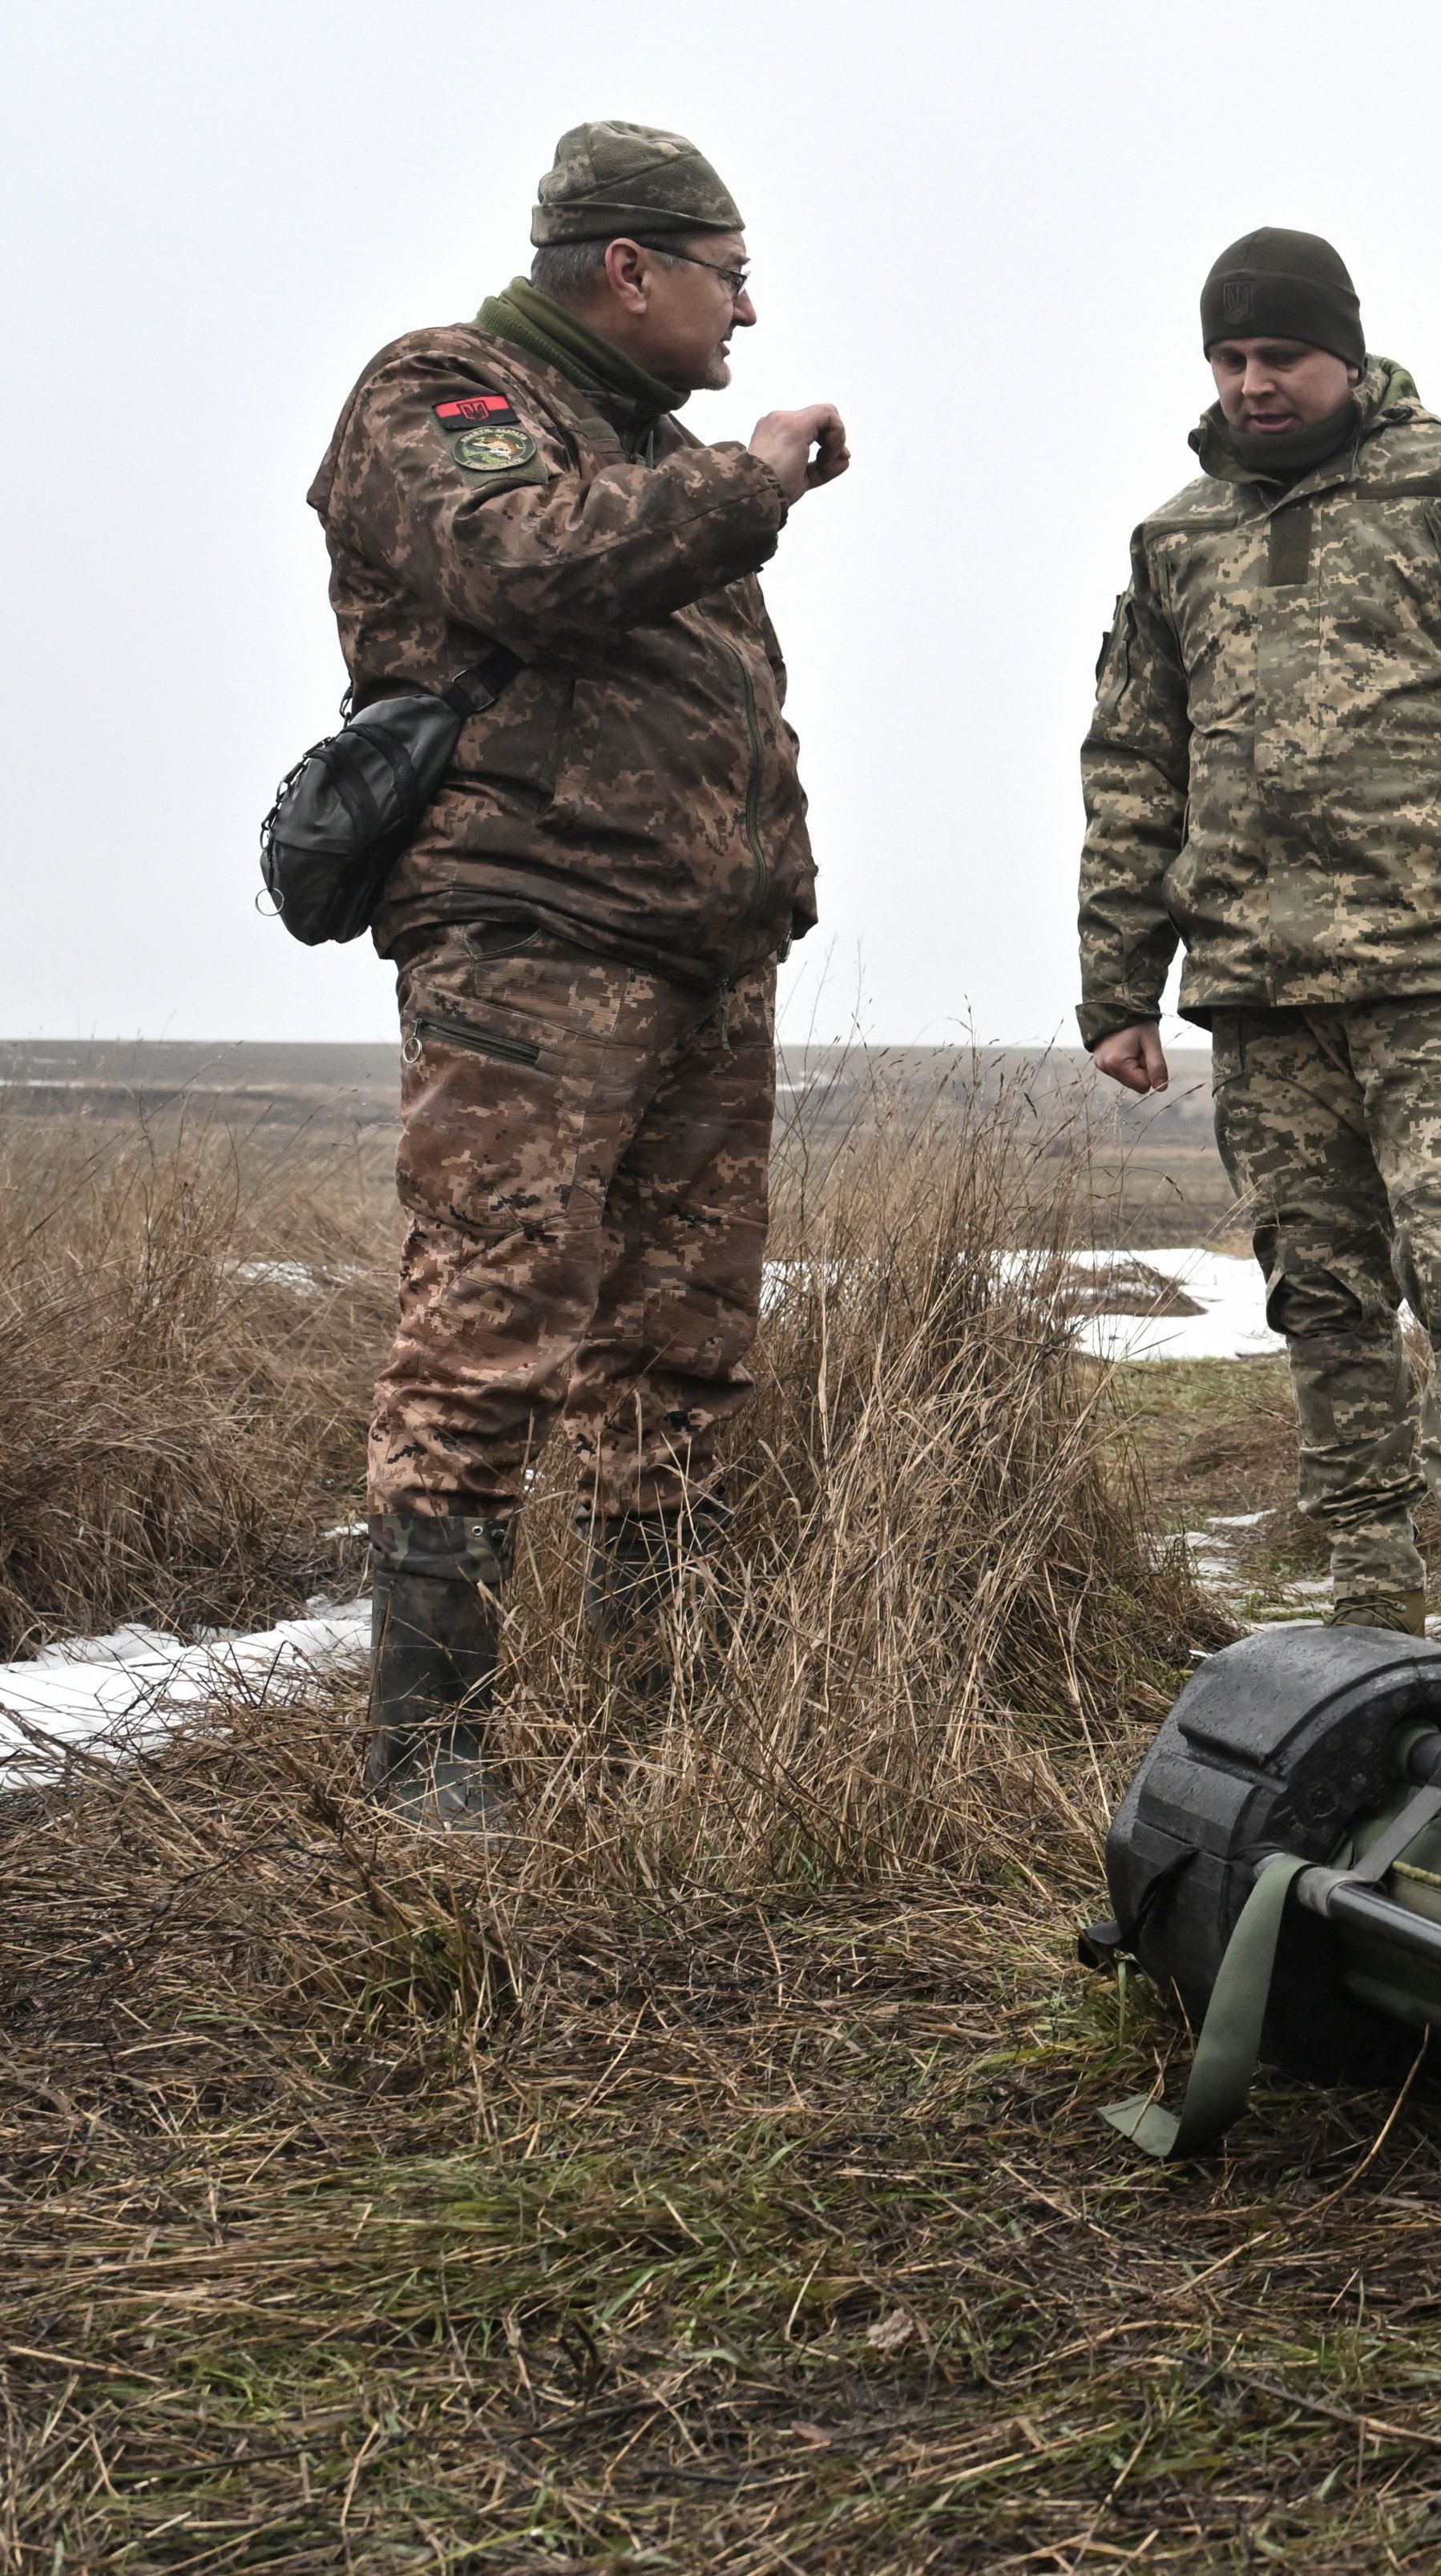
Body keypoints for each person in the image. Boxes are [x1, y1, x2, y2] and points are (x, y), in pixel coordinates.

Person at [307, 120, 852, 1824]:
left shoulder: (643, 451)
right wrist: (745, 480)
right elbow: (522, 565)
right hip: (534, 947)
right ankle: (434, 1762)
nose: (746, 314)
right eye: (729, 275)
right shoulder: (444, 394)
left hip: (700, 961)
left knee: (681, 1348)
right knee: (489, 1328)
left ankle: (658, 1721)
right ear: (631, 268)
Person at [1078, 229, 1441, 1676]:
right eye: (1230, 359)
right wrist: (1118, 985)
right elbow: (1132, 766)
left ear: (1346, 354)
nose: (1253, 385)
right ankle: (1371, 1585)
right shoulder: (1178, 537)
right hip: (1259, 990)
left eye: (1281, 358)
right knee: (1319, 1294)